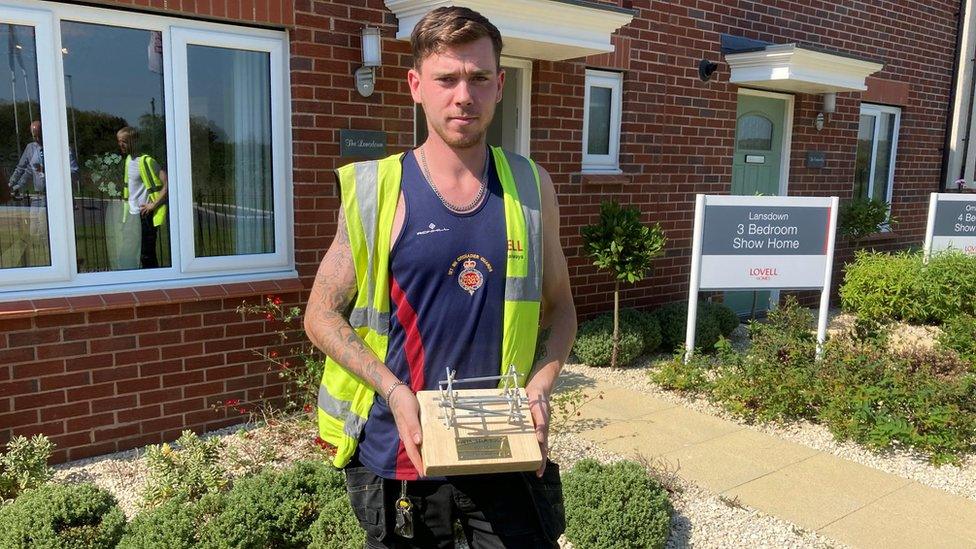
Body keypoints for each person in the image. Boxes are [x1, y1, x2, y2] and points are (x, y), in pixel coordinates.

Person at [305, 7, 577, 548]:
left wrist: (542, 384)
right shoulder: (377, 191)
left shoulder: (530, 187)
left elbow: (561, 307)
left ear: (499, 85)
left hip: (501, 442)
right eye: (446, 79)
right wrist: (394, 389)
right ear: (415, 85)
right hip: (403, 445)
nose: (463, 95)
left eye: (478, 78)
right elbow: (320, 315)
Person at [4, 120, 78, 268]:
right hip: (37, 196)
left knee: (45, 231)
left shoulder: (62, 148)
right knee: (33, 231)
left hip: (52, 196)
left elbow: (74, 173)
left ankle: (55, 264)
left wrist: (46, 170)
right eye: (34, 137)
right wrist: (12, 185)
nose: (37, 140)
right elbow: (25, 170)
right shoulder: (33, 149)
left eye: (39, 136)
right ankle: (42, 262)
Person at [116, 126, 167, 269]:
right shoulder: (128, 160)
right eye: (119, 141)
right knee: (126, 255)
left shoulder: (146, 161)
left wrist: (153, 205)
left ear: (134, 141)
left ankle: (153, 286)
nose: (121, 145)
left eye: (124, 141)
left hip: (145, 215)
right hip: (132, 215)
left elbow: (167, 184)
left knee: (147, 255)